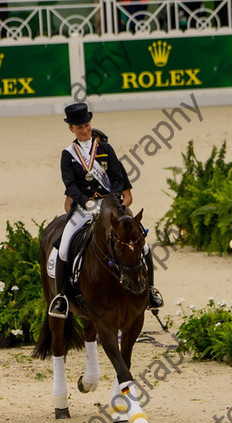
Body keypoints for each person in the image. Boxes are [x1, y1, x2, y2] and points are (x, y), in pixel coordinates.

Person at [50, 103, 163, 319]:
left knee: (144, 246)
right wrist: (87, 203)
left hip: (110, 206)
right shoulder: (68, 155)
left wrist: (112, 200)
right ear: (71, 129)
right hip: (83, 209)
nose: (85, 130)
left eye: (87, 125)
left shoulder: (105, 149)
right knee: (64, 248)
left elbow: (117, 178)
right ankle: (62, 298)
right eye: (80, 127)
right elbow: (70, 185)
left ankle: (150, 291)